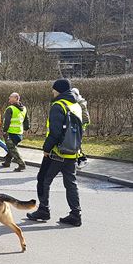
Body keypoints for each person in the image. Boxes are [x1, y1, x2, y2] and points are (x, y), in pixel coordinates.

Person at [27, 78, 83, 227]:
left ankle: (43, 210)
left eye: (54, 89)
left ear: (59, 90)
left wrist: (46, 148)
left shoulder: (58, 105)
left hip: (56, 152)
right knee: (71, 183)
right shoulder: (75, 105)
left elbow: (55, 132)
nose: (52, 91)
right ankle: (75, 214)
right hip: (72, 151)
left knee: (43, 179)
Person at [2, 92, 29, 172]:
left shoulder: (10, 108)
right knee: (11, 148)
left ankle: (21, 164)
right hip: (19, 133)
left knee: (12, 149)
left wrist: (4, 131)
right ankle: (7, 162)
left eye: (11, 97)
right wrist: (27, 129)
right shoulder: (24, 108)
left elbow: (7, 121)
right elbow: (26, 120)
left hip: (10, 132)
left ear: (16, 98)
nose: (9, 98)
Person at [72, 88, 90, 169]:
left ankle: (82, 159)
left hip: (80, 127)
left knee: (77, 144)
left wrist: (81, 127)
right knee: (76, 144)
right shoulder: (79, 102)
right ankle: (79, 160)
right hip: (78, 127)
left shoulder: (80, 103)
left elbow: (85, 118)